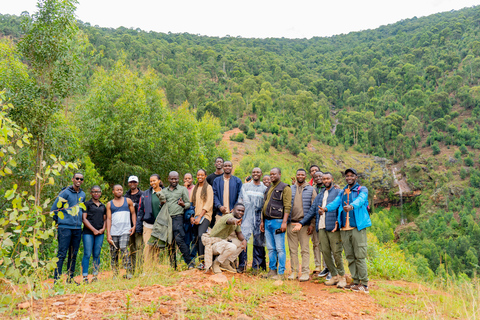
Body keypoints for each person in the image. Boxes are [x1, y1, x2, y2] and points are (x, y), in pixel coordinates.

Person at [321, 168, 371, 293]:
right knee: (349, 256)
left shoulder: (362, 189)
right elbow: (336, 203)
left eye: (351, 176)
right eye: (347, 176)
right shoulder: (343, 191)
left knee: (359, 256)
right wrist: (325, 209)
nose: (349, 178)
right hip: (344, 229)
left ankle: (364, 284)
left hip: (357, 228)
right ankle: (355, 281)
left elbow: (361, 200)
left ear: (356, 177)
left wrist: (351, 206)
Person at [293, 172, 346, 287]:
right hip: (321, 227)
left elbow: (341, 208)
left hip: (333, 228)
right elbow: (312, 210)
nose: (326, 180)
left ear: (332, 179)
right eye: (324, 179)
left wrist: (339, 222)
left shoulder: (338, 192)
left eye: (328, 178)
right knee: (325, 253)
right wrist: (301, 223)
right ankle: (334, 275)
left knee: (336, 253)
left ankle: (342, 277)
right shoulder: (320, 195)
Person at [51, 173, 86, 283]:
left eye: (81, 179)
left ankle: (70, 279)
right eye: (77, 178)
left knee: (73, 254)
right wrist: (59, 222)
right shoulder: (65, 193)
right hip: (64, 228)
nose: (79, 180)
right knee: (62, 253)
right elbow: (54, 209)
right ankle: (56, 280)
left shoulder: (83, 194)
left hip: (77, 228)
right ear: (72, 179)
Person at [260, 168, 291, 280]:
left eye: (274, 174)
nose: (272, 176)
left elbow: (287, 206)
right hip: (267, 221)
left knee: (280, 248)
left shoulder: (285, 188)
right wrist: (262, 221)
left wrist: (284, 222)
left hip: (278, 222)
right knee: (271, 248)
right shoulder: (269, 188)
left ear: (279, 174)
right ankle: (272, 271)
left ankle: (281, 273)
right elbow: (265, 205)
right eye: (271, 174)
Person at [287, 169, 317, 282]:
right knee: (292, 249)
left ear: (305, 176)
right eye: (298, 174)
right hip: (291, 223)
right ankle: (294, 272)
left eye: (302, 175)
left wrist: (312, 224)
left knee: (305, 249)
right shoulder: (290, 188)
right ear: (296, 175)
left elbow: (313, 208)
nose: (300, 176)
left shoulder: (311, 189)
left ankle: (305, 272)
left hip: (305, 224)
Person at [202, 203, 247, 274]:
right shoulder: (228, 216)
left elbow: (239, 233)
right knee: (232, 247)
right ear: (232, 210)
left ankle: (225, 263)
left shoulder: (237, 220)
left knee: (241, 244)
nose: (241, 212)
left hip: (222, 242)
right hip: (214, 244)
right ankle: (216, 264)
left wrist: (244, 240)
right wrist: (235, 221)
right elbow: (230, 220)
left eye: (242, 211)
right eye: (239, 210)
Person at [237, 167, 267, 273]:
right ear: (252, 173)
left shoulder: (264, 188)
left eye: (258, 172)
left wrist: (263, 220)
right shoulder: (245, 186)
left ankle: (256, 266)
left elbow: (265, 205)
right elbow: (240, 201)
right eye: (254, 172)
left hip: (259, 216)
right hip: (246, 216)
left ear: (261, 174)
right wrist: (240, 217)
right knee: (243, 239)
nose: (255, 174)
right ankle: (242, 265)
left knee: (258, 242)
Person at [163, 171, 195, 268]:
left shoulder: (182, 189)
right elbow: (162, 206)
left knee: (179, 240)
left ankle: (190, 263)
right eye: (172, 179)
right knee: (170, 241)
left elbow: (189, 204)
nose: (174, 180)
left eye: (176, 178)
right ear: (168, 179)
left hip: (178, 218)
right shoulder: (164, 191)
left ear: (178, 179)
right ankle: (173, 265)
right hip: (167, 219)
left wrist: (183, 205)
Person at [106, 185, 136, 279]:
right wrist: (108, 234)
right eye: (117, 190)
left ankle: (129, 271)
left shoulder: (128, 201)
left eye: (121, 189)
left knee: (124, 248)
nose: (119, 191)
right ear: (113, 191)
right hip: (114, 231)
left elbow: (133, 213)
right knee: (114, 252)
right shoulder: (109, 204)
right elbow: (109, 219)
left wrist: (134, 226)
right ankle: (115, 273)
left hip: (125, 230)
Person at [137, 174, 165, 264]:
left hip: (161, 225)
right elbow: (140, 210)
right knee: (148, 246)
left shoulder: (165, 192)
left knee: (157, 247)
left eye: (154, 180)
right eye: (151, 181)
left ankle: (154, 268)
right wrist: (138, 226)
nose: (152, 182)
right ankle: (147, 269)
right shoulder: (146, 194)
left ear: (159, 181)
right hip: (148, 224)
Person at [81, 186, 106, 284]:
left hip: (100, 233)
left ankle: (95, 276)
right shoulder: (86, 204)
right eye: (94, 192)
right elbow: (84, 219)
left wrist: (103, 229)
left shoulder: (103, 206)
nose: (96, 193)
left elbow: (105, 219)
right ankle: (85, 277)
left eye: (98, 192)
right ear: (91, 193)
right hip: (88, 233)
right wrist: (94, 230)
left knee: (97, 254)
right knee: (87, 254)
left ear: (100, 193)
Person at [190, 169, 214, 270]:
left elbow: (209, 203)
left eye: (202, 175)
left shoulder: (208, 188)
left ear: (205, 176)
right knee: (195, 238)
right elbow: (191, 203)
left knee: (201, 236)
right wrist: (191, 217)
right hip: (195, 217)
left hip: (205, 216)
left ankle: (203, 261)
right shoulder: (195, 188)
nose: (200, 177)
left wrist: (200, 216)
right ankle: (197, 261)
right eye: (198, 175)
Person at [124, 175, 143, 273]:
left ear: (137, 183)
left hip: (140, 226)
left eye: (134, 182)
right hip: (128, 226)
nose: (132, 184)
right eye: (131, 182)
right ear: (128, 183)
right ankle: (132, 269)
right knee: (131, 248)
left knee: (139, 247)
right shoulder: (125, 197)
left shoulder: (143, 195)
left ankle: (140, 269)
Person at [207, 157, 225, 227]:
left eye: (221, 162)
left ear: (223, 164)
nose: (219, 163)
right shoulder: (209, 177)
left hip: (222, 204)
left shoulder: (225, 176)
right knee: (212, 224)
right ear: (215, 164)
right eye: (217, 162)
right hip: (212, 204)